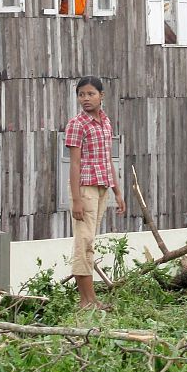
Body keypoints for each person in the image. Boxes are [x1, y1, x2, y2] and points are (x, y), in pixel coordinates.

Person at [64, 76, 126, 309]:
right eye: (81, 94)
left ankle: (91, 300)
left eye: (91, 94)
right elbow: (75, 164)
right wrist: (76, 199)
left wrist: (117, 192)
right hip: (85, 188)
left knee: (90, 240)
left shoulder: (105, 122)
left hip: (101, 188)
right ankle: (86, 301)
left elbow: (108, 159)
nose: (86, 99)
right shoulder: (76, 124)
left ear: (102, 96)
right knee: (84, 241)